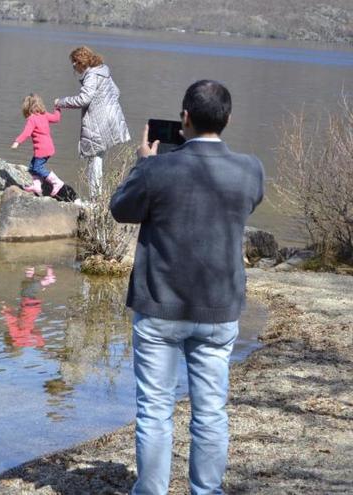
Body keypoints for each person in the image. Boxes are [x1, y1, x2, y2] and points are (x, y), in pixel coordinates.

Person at [110, 80, 264, 494]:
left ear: (184, 118)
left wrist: (143, 163)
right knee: (211, 412)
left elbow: (120, 209)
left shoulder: (157, 169)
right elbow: (244, 202)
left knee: (155, 411)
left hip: (160, 307)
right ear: (228, 120)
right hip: (219, 309)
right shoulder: (250, 169)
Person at [55, 46, 130, 199]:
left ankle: (96, 200)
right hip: (112, 119)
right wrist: (105, 104)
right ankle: (98, 199)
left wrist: (60, 102)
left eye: (74, 62)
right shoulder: (103, 70)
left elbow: (84, 99)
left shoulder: (91, 75)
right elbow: (116, 92)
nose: (73, 66)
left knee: (94, 159)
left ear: (81, 61)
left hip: (98, 122)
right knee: (97, 158)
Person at [11, 94, 66, 197]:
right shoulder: (44, 115)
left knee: (38, 168)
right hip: (49, 148)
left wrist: (17, 142)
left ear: (27, 108)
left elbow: (26, 133)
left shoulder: (32, 119)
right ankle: (37, 186)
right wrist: (57, 107)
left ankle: (56, 182)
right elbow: (56, 118)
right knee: (32, 168)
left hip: (42, 150)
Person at [1, 266, 56, 348]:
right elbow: (11, 321)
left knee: (26, 287)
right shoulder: (15, 335)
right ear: (9, 339)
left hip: (34, 310)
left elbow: (36, 333)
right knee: (27, 291)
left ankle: (30, 273)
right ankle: (48, 280)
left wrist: (40, 343)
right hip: (28, 306)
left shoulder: (24, 339)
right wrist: (5, 310)